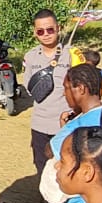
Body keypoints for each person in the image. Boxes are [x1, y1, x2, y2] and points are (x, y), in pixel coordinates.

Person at [39, 64, 102, 203]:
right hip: (99, 198)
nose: (64, 94)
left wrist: (64, 129)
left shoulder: (77, 126)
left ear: (81, 89)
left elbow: (50, 150)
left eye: (67, 88)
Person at [22, 10, 71, 181]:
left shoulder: (72, 54)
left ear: (58, 28)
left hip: (66, 124)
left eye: (50, 29)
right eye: (40, 31)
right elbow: (28, 87)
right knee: (41, 167)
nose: (46, 34)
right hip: (40, 125)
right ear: (35, 32)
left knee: (68, 168)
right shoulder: (30, 57)